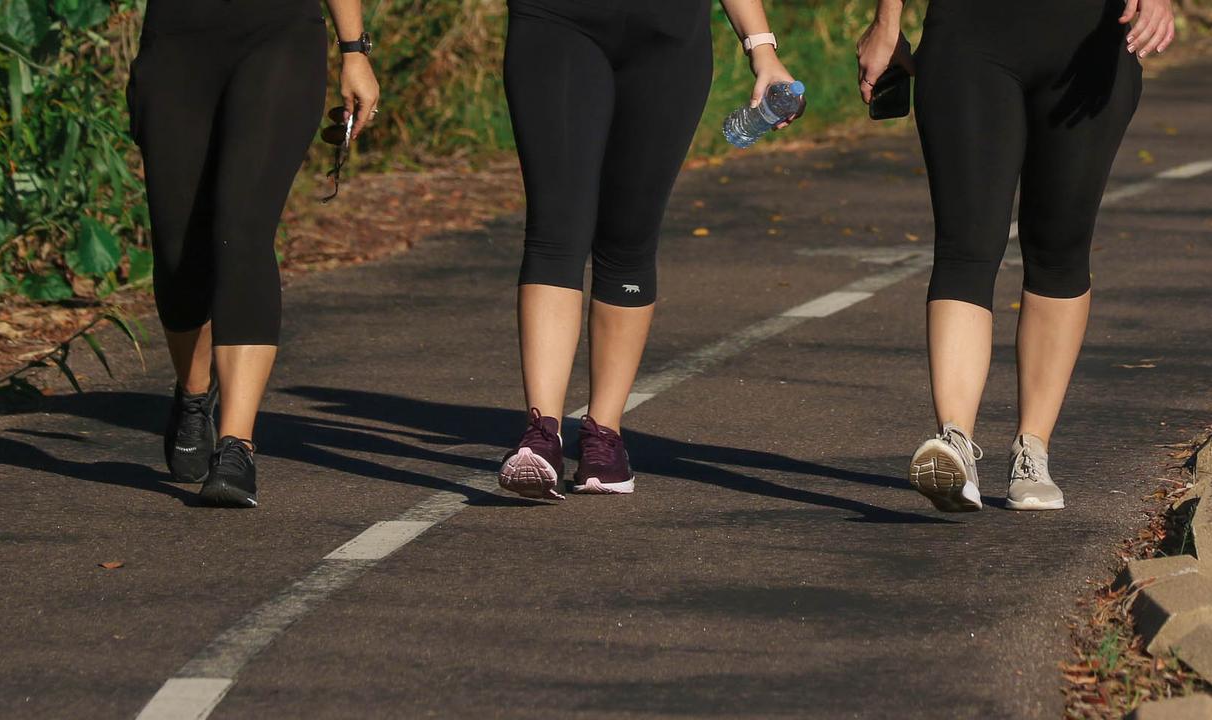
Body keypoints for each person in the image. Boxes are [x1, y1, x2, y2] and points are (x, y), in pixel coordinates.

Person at [856, 0, 1175, 512]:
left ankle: (1033, 450)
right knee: (966, 243)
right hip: (969, 33)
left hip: (1089, 40)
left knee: (1060, 247)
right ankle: (955, 444)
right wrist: (886, 23)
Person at [498, 0, 804, 499]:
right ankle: (541, 434)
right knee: (557, 227)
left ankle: (603, 436)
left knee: (629, 233)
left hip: (668, 38)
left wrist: (762, 50)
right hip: (557, 22)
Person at [127, 0, 379, 507]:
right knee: (178, 253)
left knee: (241, 231)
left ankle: (235, 446)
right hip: (177, 37)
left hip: (280, 34)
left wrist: (353, 50)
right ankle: (194, 394)